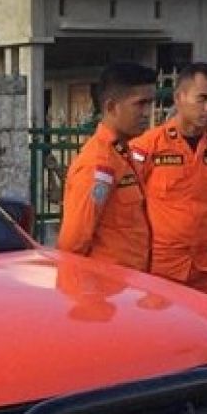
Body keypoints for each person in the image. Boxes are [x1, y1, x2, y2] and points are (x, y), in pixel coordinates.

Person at [129, 63, 207, 298]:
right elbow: (130, 207)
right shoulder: (148, 146)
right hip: (161, 270)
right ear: (179, 98)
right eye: (202, 99)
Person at [57, 62, 157, 271]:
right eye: (140, 104)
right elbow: (73, 243)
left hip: (128, 288)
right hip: (105, 292)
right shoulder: (98, 163)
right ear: (111, 107)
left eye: (150, 104)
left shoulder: (121, 153)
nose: (148, 113)